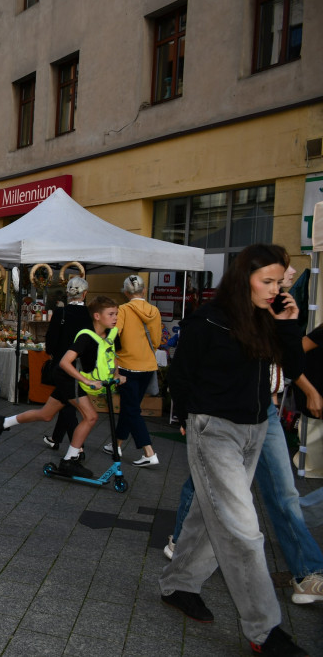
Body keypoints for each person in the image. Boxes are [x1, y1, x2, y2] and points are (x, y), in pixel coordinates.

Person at [159, 244, 309, 656]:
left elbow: (294, 369)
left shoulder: (268, 318)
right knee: (243, 530)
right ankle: (264, 629)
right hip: (215, 429)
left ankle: (178, 584)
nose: (276, 289)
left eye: (279, 281)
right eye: (267, 281)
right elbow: (181, 375)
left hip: (258, 428)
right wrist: (189, 418)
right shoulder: (208, 319)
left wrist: (289, 326)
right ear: (245, 280)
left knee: (207, 513)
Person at [0, 296, 123, 480]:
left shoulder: (110, 335)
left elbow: (111, 356)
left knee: (46, 414)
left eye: (116, 314)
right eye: (111, 314)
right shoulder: (86, 337)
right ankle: (69, 460)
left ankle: (3, 422)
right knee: (91, 417)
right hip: (69, 378)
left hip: (73, 379)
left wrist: (116, 375)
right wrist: (86, 381)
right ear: (97, 316)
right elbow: (65, 363)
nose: (115, 318)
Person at [106, 274, 161, 466]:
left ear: (126, 292)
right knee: (130, 407)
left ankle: (149, 452)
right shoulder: (154, 311)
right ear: (144, 290)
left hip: (127, 365)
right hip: (148, 365)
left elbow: (114, 336)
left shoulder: (123, 310)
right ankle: (117, 444)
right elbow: (156, 340)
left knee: (132, 409)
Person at [41, 278, 92, 452]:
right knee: (67, 401)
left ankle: (78, 448)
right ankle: (55, 439)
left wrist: (53, 353)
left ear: (68, 293)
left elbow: (51, 340)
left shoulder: (61, 312)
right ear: (85, 294)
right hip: (82, 364)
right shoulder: (90, 314)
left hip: (62, 365)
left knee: (67, 405)